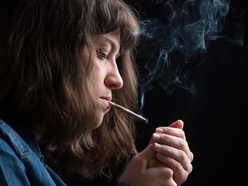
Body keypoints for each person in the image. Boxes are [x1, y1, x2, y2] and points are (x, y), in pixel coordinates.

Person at [0, 0, 193, 185]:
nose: (118, 80)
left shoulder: (26, 158)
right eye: (102, 53)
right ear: (49, 53)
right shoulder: (4, 153)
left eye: (116, 58)